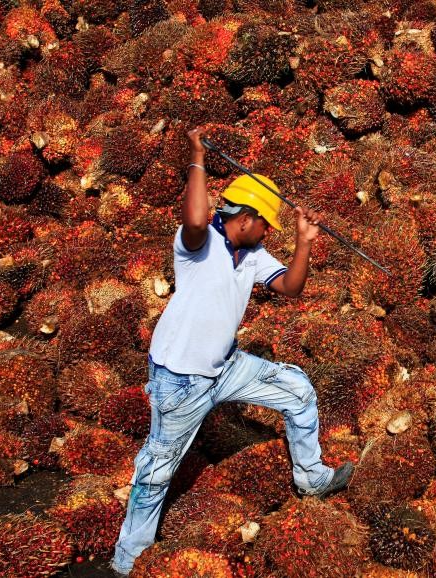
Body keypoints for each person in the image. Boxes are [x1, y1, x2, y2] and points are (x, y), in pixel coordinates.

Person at [110, 127, 353, 576]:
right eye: (266, 223)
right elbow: (197, 219)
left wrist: (303, 242)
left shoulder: (254, 254)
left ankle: (312, 477)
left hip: (225, 365)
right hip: (179, 380)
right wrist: (198, 157)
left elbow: (292, 289)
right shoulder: (198, 246)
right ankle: (128, 560)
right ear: (245, 217)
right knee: (157, 469)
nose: (267, 232)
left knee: (298, 390)